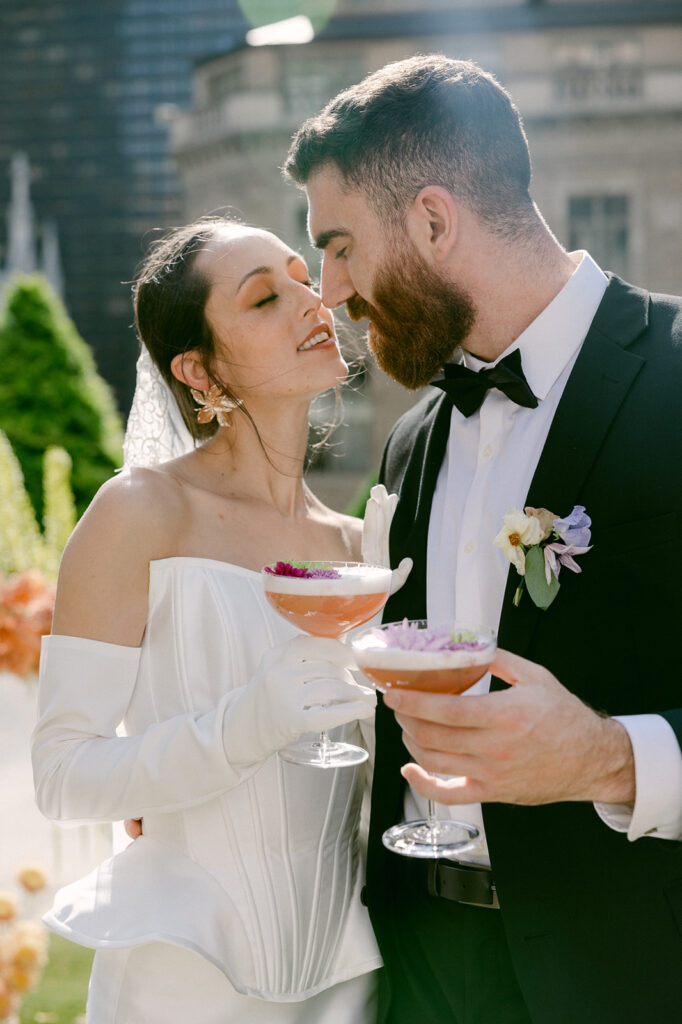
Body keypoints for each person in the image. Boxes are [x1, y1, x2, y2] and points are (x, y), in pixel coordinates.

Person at [284, 55, 682, 1023]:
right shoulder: (411, 440)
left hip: (620, 974)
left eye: (339, 247)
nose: (328, 292)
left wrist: (607, 758)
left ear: (431, 219)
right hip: (417, 967)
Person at [30, 216, 407, 1023]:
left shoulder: (361, 544)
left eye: (304, 279)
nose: (312, 302)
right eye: (266, 298)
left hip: (350, 981)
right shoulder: (141, 512)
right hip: (182, 982)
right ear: (198, 371)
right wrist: (244, 726)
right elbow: (62, 774)